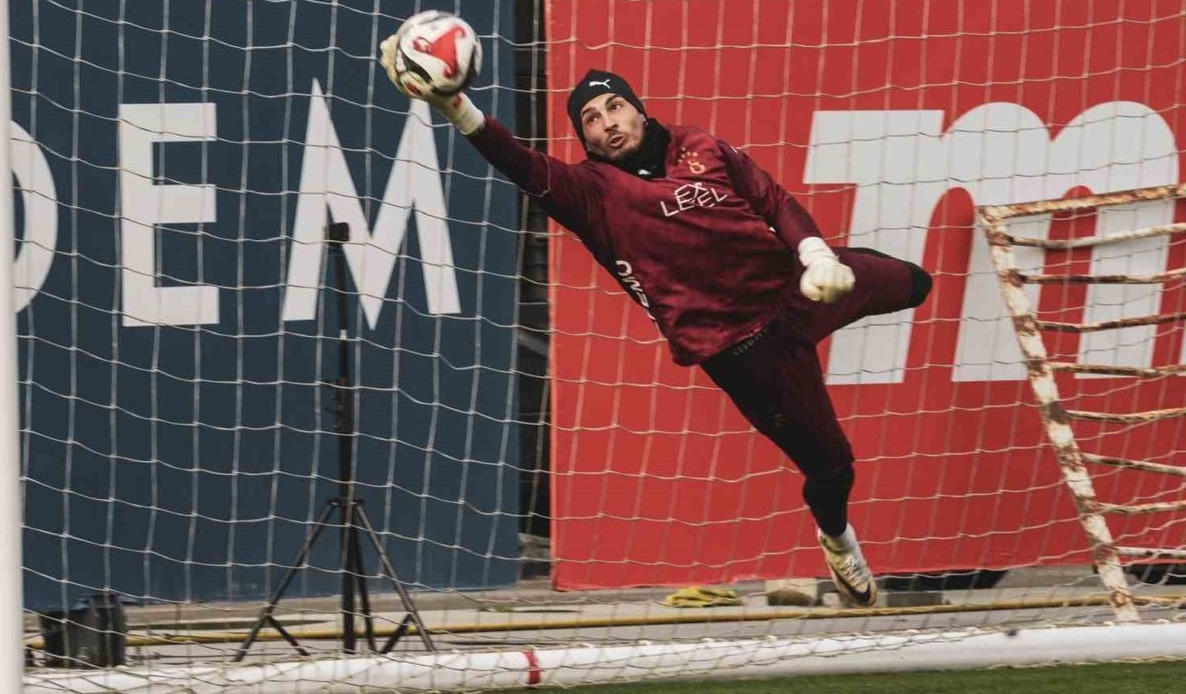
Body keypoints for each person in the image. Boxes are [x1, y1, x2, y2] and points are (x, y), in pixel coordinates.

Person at [379, 37, 932, 607]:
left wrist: (816, 254)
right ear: (586, 140)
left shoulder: (701, 146)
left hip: (798, 288)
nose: (608, 123)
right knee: (832, 467)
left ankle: (834, 272)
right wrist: (456, 107)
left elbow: (772, 201)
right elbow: (519, 162)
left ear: (639, 110)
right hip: (746, 351)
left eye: (615, 107)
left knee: (915, 282)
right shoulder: (590, 193)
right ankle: (838, 542)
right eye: (592, 120)